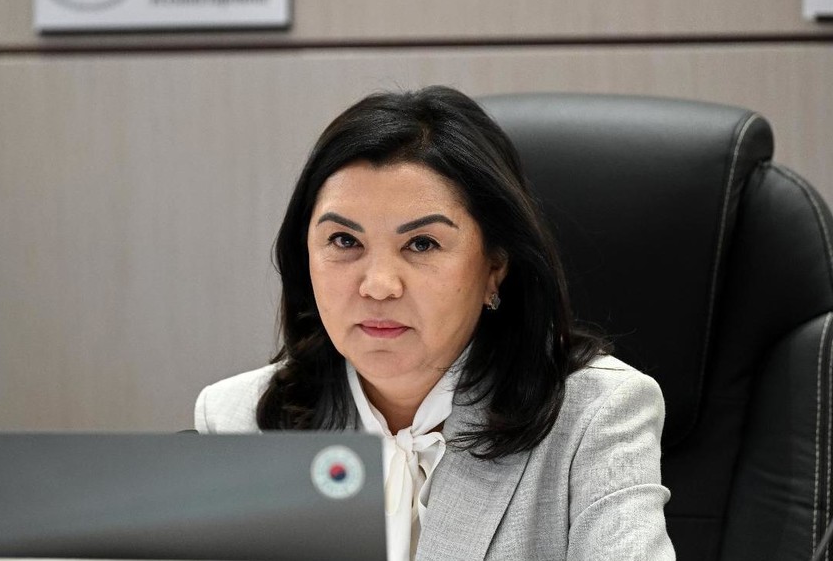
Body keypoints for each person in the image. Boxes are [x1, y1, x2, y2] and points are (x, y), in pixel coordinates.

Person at [194, 86, 675, 561]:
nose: (378, 286)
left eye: (422, 244)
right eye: (344, 241)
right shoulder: (237, 421)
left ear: (494, 266)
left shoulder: (594, 415)